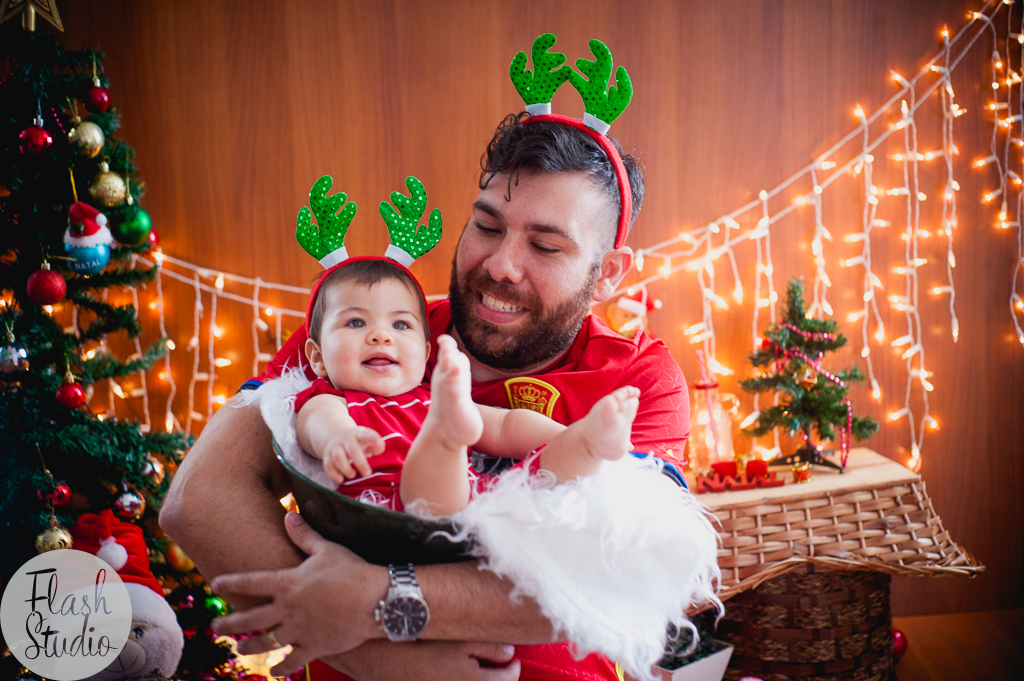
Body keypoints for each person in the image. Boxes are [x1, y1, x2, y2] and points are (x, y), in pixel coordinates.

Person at [160, 114, 691, 681]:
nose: (501, 265)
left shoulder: (639, 377)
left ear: (607, 274)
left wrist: (377, 598)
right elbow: (198, 498)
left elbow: (629, 571)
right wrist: (379, 659)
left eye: (545, 246)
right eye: (487, 226)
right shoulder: (367, 331)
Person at [293, 256, 640, 514]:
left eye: (400, 325)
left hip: (476, 503)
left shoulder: (432, 399)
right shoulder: (332, 401)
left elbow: (505, 425)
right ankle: (445, 440)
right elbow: (315, 424)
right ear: (318, 358)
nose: (380, 336)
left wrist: (564, 435)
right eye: (356, 322)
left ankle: (588, 444)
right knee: (428, 486)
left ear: (425, 353)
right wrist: (338, 438)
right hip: (392, 511)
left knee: (540, 476)